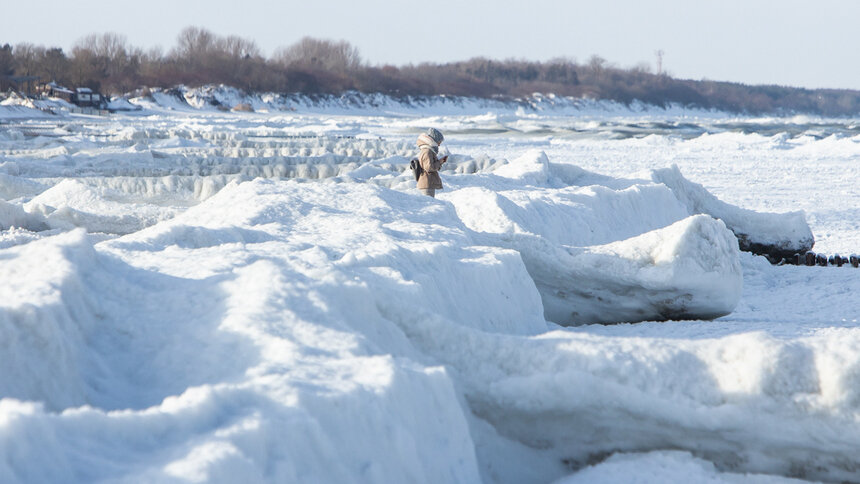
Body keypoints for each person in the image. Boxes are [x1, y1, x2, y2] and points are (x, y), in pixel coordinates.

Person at [415, 127, 448, 197]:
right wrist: (439, 162)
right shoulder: (427, 151)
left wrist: (440, 161)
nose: (439, 145)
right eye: (439, 142)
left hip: (427, 183)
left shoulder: (428, 150)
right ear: (434, 141)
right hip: (426, 184)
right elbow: (429, 167)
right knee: (429, 205)